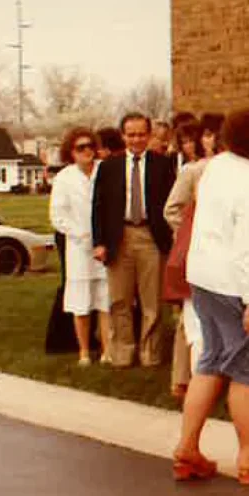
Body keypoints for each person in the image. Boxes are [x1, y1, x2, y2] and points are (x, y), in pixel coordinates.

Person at [173, 107, 249, 486]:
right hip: (239, 286)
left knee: (210, 360)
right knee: (246, 369)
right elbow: (246, 247)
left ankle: (187, 448)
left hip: (205, 279)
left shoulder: (216, 168)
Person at [91, 113, 177, 368]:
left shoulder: (162, 165)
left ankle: (151, 354)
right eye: (131, 135)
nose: (137, 139)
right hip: (120, 237)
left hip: (151, 237)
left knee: (152, 302)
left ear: (149, 135)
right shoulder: (109, 167)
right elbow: (98, 207)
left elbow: (172, 204)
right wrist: (99, 242)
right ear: (123, 136)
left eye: (141, 134)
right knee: (120, 300)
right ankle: (123, 352)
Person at [50, 128, 112, 366]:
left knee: (105, 302)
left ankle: (107, 351)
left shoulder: (105, 171)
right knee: (81, 304)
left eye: (90, 146)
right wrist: (82, 236)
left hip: (105, 248)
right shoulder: (64, 178)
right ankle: (84, 352)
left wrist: (103, 241)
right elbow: (58, 216)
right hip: (78, 248)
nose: (87, 151)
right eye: (80, 148)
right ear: (71, 152)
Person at [164, 121, 210, 399]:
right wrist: (191, 233)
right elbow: (171, 209)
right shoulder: (193, 171)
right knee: (190, 319)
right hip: (195, 251)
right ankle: (182, 379)